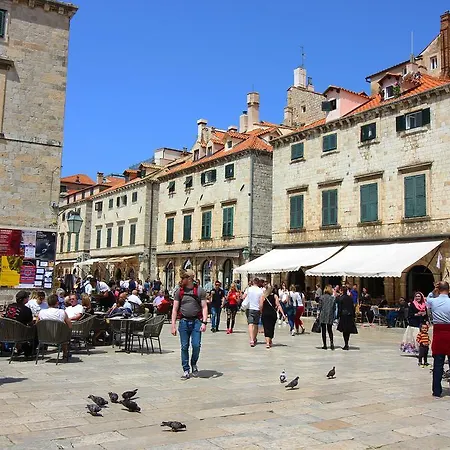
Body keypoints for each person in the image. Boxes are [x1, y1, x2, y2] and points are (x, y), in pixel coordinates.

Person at [171, 269, 208, 379]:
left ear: (190, 279)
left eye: (183, 278)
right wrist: (173, 325)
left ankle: (193, 363)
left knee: (196, 345)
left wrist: (204, 322)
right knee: (184, 346)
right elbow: (174, 309)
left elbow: (204, 307)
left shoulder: (200, 291)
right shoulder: (179, 291)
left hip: (196, 321)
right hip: (183, 322)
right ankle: (186, 369)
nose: (181, 280)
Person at [426, 281, 450, 397]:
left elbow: (427, 299)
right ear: (448, 290)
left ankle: (436, 391)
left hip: (439, 334)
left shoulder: (433, 301)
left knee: (438, 364)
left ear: (438, 289)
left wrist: (433, 291)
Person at [38, 293, 72, 359]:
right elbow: (70, 325)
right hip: (58, 337)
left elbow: (37, 324)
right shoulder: (62, 312)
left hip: (44, 337)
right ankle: (65, 353)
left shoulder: (41, 312)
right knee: (65, 332)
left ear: (48, 303)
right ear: (57, 303)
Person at [242, 278, 263, 347]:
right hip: (257, 309)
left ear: (253, 282)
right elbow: (261, 302)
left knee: (250, 324)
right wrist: (261, 310)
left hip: (249, 308)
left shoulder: (248, 289)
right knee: (256, 324)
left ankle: (251, 340)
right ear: (258, 283)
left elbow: (243, 297)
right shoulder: (260, 291)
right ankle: (254, 338)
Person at [318, 285, 336, 350]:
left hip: (323, 315)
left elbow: (319, 307)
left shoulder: (321, 297)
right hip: (330, 315)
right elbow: (334, 308)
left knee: (323, 330)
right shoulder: (333, 298)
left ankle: (325, 345)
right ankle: (331, 343)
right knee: (330, 330)